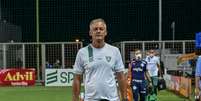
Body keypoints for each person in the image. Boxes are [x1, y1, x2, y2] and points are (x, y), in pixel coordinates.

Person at [72, 18, 127, 101]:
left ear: (105, 32)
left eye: (101, 29)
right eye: (95, 29)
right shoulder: (82, 52)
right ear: (90, 32)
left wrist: (125, 98)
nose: (98, 31)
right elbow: (77, 78)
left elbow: (121, 77)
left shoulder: (114, 51)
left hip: (112, 99)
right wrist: (75, 99)